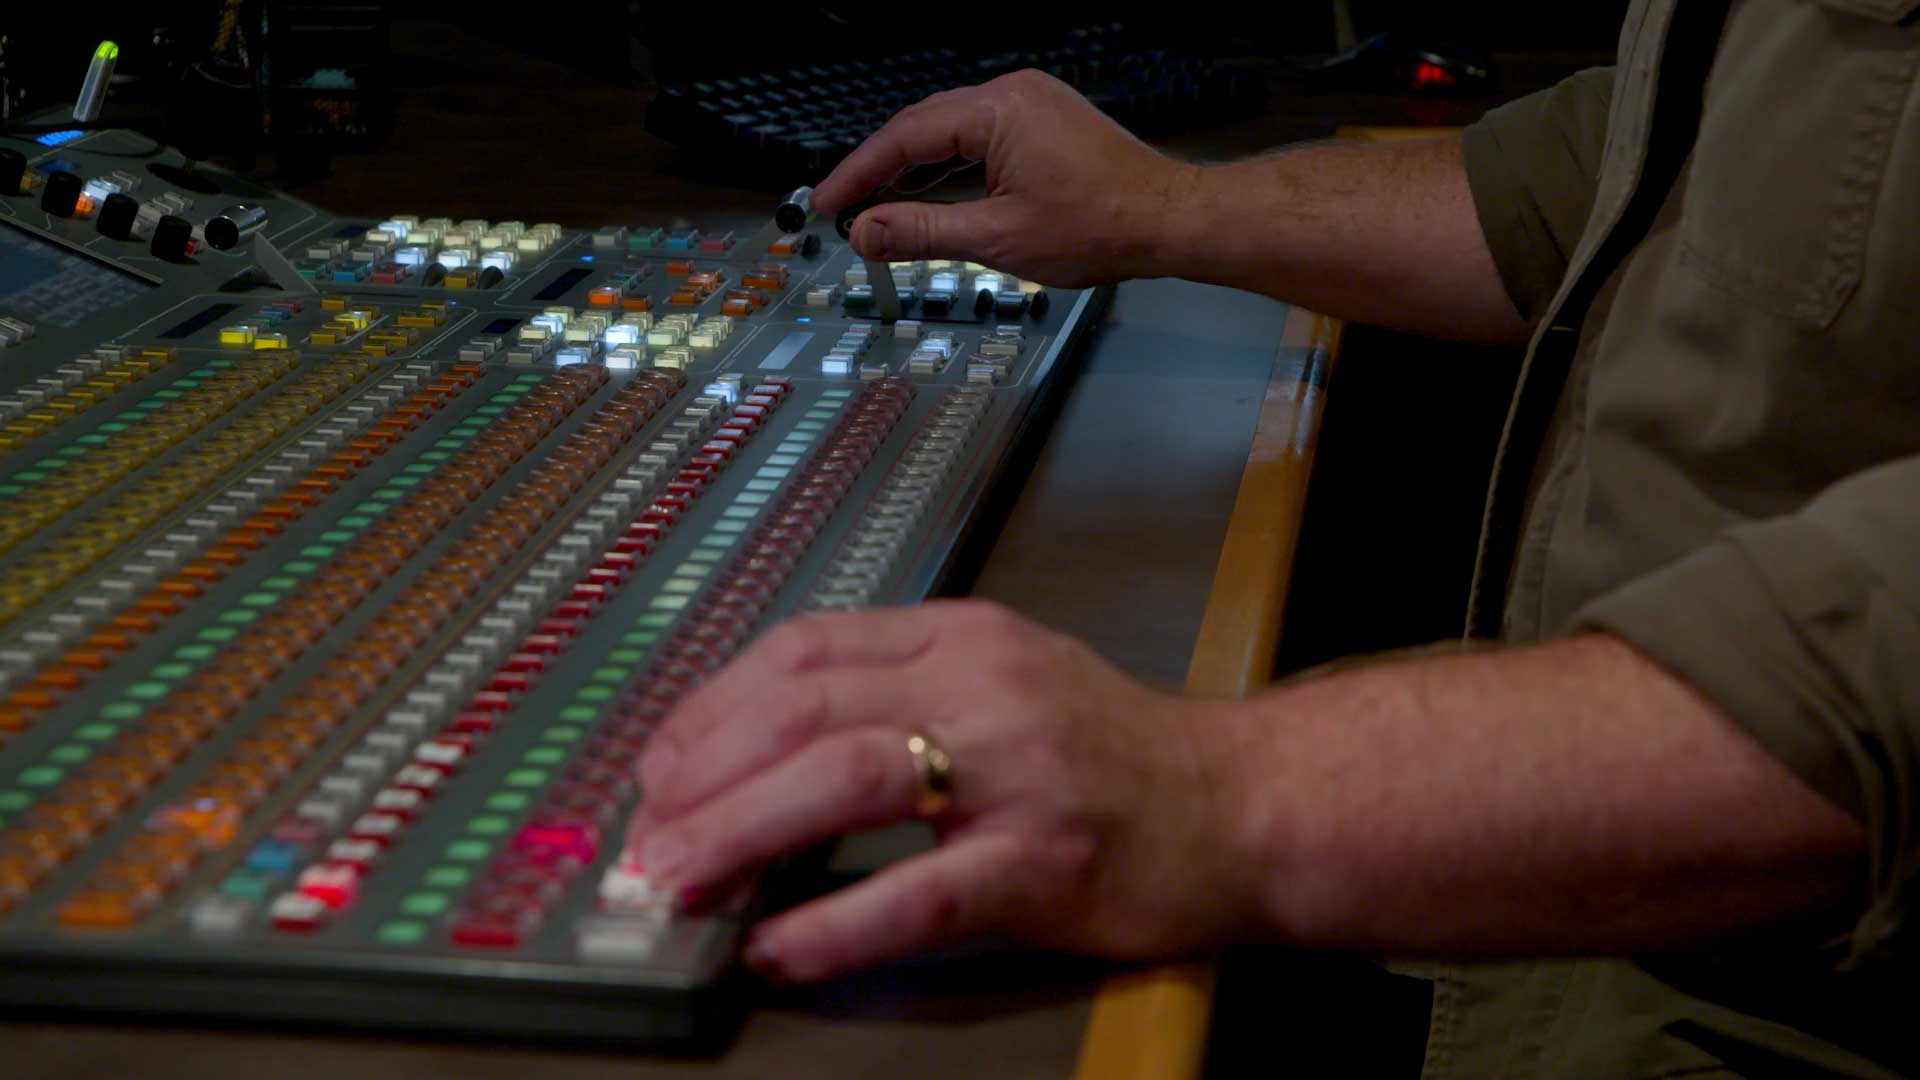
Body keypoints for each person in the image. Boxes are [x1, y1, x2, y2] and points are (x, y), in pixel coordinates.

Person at [627, 2, 1920, 1075]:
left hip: (1786, 991)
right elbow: (1632, 171)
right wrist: (1165, 208)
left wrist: (1209, 791)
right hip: (1568, 908)